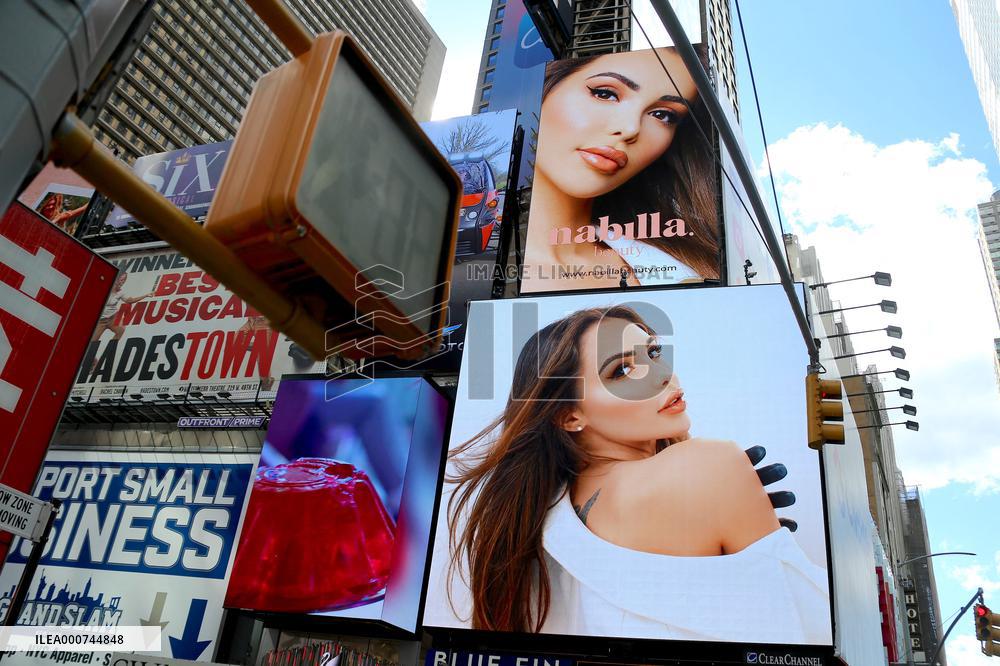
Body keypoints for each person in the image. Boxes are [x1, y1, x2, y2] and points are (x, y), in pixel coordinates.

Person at [445, 306, 829, 643]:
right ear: (569, 415)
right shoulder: (709, 465)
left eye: (654, 352)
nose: (662, 375)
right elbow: (812, 630)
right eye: (623, 370)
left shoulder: (544, 519)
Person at [522, 48, 720, 292]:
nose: (630, 128)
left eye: (662, 115)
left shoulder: (688, 269)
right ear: (547, 85)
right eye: (605, 94)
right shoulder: (481, 266)